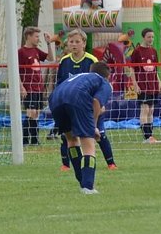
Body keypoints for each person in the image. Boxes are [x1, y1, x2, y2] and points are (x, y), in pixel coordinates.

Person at [49, 29, 116, 170]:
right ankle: (66, 165)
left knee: (99, 133)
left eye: (77, 42)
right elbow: (60, 82)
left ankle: (111, 163)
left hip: (89, 104)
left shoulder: (91, 60)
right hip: (70, 103)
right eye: (71, 42)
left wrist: (98, 104)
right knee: (66, 135)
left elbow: (98, 83)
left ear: (84, 43)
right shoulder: (64, 61)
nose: (73, 45)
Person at [49, 62, 113, 194]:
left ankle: (82, 181)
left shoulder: (80, 76)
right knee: (88, 144)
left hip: (55, 98)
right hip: (77, 97)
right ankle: (88, 186)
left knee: (71, 140)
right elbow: (96, 101)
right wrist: (93, 126)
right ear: (108, 76)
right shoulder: (104, 82)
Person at [17, 27, 53, 145]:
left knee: (36, 114)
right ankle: (25, 140)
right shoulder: (21, 52)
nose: (38, 39)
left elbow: (50, 58)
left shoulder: (36, 51)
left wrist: (48, 44)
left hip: (38, 87)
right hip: (29, 87)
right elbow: (15, 70)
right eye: (36, 36)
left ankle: (34, 140)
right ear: (28, 36)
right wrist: (21, 87)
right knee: (30, 112)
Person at [128, 27, 161, 143]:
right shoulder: (137, 51)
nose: (151, 39)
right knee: (145, 109)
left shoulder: (153, 51)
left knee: (151, 110)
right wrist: (135, 84)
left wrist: (159, 83)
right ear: (143, 37)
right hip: (143, 85)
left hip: (153, 85)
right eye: (149, 37)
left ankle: (151, 136)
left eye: (152, 37)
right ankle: (147, 137)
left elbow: (155, 69)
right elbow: (132, 69)